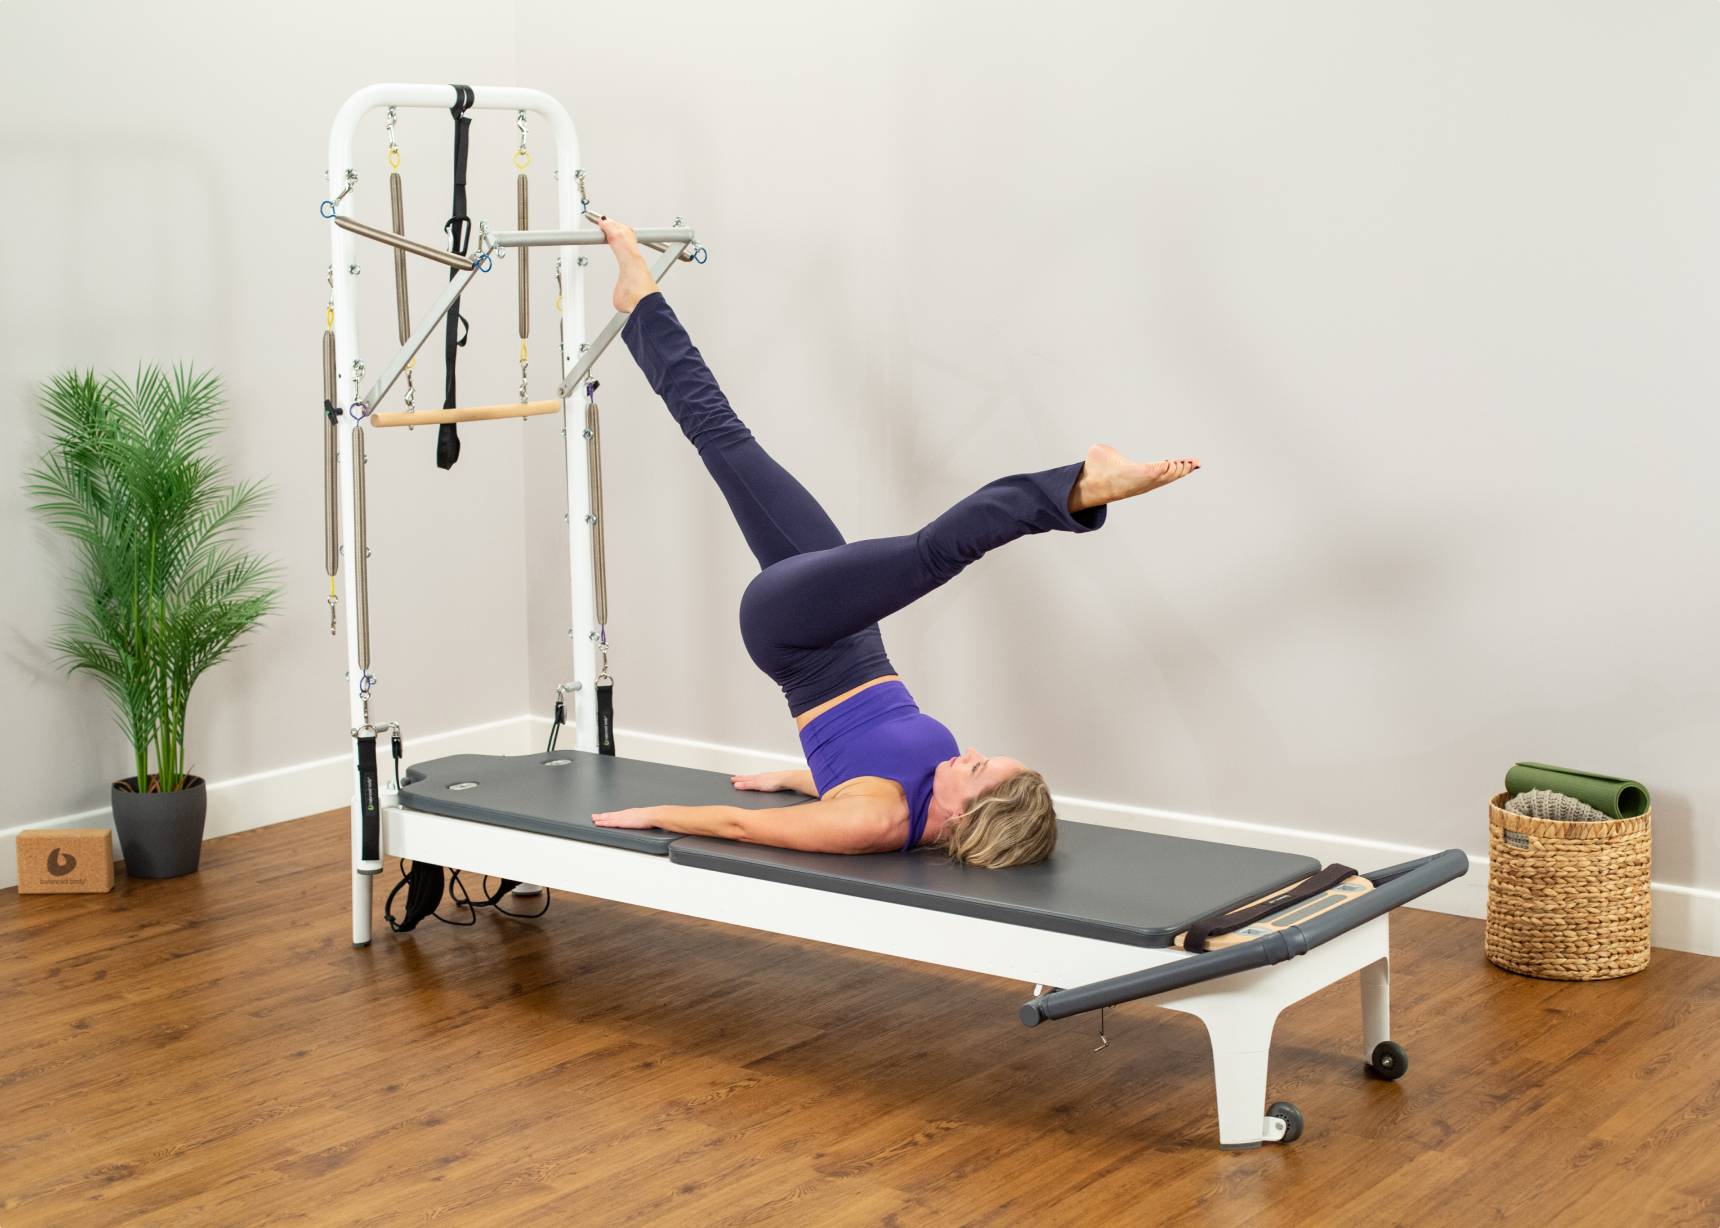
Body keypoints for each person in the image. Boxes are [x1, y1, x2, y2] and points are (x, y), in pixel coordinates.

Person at [590, 218, 1198, 867]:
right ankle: (641, 303)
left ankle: (1081, 487)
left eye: (980, 768)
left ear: (966, 811)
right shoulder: (936, 792)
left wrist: (652, 815)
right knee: (727, 440)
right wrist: (799, 780)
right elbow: (856, 764)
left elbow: (741, 828)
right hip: (850, 630)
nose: (969, 754)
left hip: (794, 634)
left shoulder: (872, 822)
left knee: (935, 552)